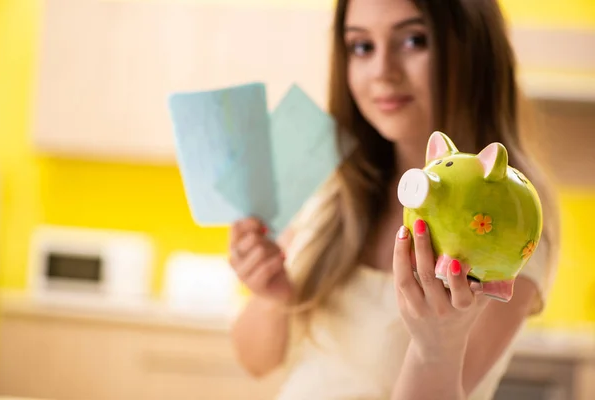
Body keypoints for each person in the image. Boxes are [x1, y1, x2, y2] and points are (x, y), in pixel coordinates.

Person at [228, 0, 560, 399]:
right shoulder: (336, 188)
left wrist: (437, 348)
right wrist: (273, 295)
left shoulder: (508, 219)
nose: (382, 72)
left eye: (414, 40)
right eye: (362, 47)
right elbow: (255, 361)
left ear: (474, 50)